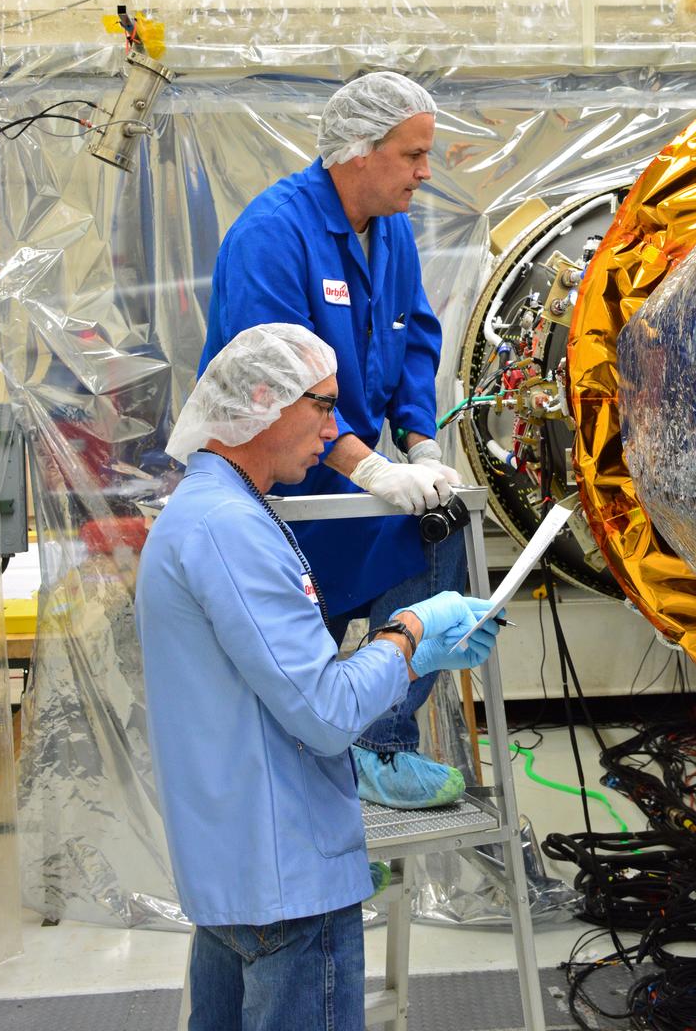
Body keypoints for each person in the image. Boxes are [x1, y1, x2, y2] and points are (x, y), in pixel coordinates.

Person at [135, 325, 499, 1031]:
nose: (335, 430)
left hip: (239, 876)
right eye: (323, 406)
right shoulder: (229, 529)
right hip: (286, 886)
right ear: (265, 401)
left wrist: (414, 657)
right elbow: (327, 713)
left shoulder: (211, 513)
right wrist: (410, 633)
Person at [199, 71, 470, 809]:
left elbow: (415, 339)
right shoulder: (271, 236)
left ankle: (378, 744)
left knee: (443, 539)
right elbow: (280, 388)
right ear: (358, 151)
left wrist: (419, 446)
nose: (424, 172)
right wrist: (370, 469)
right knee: (288, 651)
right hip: (274, 485)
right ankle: (298, 784)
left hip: (348, 477)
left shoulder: (391, 234)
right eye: (412, 154)